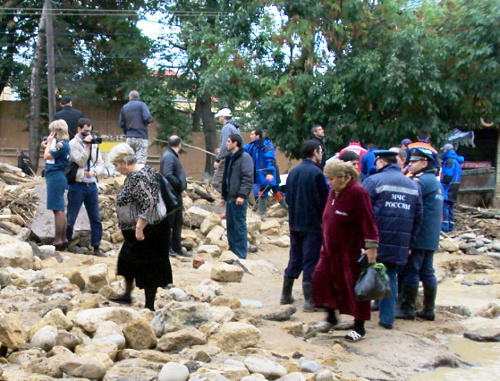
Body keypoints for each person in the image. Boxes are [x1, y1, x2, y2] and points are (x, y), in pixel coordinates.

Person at [312, 159, 379, 342]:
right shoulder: (333, 192)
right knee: (321, 278)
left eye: (331, 179)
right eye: (327, 179)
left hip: (350, 251)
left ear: (343, 177)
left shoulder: (358, 193)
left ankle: (359, 326)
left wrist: (371, 249)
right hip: (329, 251)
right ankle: (331, 317)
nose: (329, 183)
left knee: (355, 287)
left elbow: (369, 222)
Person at [362, 150, 423, 329]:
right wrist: (411, 241)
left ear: (381, 162)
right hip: (401, 239)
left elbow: (362, 210)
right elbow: (419, 216)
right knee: (390, 274)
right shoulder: (413, 185)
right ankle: (387, 319)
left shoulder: (373, 181)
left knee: (367, 273)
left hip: (376, 238)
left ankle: (362, 315)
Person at [107, 143, 172, 311]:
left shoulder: (138, 176)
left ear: (125, 162)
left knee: (149, 267)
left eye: (116, 164)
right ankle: (127, 294)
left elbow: (149, 202)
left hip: (150, 230)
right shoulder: (142, 170)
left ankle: (149, 306)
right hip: (143, 229)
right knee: (127, 261)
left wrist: (139, 228)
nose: (116, 169)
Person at [281, 140, 329, 312]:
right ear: (315, 152)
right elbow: (323, 200)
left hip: (295, 222)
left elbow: (287, 198)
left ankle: (286, 293)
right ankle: (310, 300)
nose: (322, 154)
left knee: (295, 256)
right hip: (312, 223)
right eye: (321, 151)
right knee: (311, 259)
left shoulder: (293, 172)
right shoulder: (317, 174)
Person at [397, 147, 443, 321]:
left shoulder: (421, 182)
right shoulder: (434, 181)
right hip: (431, 235)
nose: (410, 164)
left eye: (414, 161)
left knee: (412, 271)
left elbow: (411, 206)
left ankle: (407, 308)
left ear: (424, 163)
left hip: (420, 234)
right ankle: (428, 310)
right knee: (427, 271)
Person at [66, 118, 105, 257]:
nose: (88, 134)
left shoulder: (94, 144)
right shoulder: (72, 144)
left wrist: (95, 172)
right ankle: (66, 243)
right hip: (78, 185)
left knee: (95, 218)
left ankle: (96, 246)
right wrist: (87, 146)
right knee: (71, 217)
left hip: (91, 185)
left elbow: (100, 162)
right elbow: (81, 161)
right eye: (85, 131)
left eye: (90, 131)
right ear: (79, 129)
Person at [220, 134, 253, 259]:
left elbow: (247, 178)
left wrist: (242, 195)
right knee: (231, 225)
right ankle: (233, 251)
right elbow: (225, 178)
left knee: (239, 225)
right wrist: (223, 196)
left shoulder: (245, 158)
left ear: (235, 143)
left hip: (238, 198)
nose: (226, 143)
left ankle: (241, 253)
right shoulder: (230, 157)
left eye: (228, 141)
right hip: (229, 197)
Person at [244, 129, 287, 216]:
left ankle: (262, 213)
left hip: (268, 174)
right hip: (262, 175)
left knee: (266, 192)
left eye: (252, 134)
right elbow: (242, 150)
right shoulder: (252, 146)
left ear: (257, 135)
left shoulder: (265, 145)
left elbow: (271, 159)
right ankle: (289, 209)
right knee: (274, 192)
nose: (250, 136)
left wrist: (270, 173)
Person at [41, 120, 70, 250]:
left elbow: (47, 156)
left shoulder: (61, 145)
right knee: (60, 209)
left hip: (55, 176)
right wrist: (47, 144)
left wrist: (48, 144)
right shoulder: (63, 145)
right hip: (59, 176)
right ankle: (63, 238)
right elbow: (51, 151)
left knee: (57, 209)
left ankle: (58, 240)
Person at [160, 135, 190, 257]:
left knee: (177, 222)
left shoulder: (170, 155)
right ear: (180, 145)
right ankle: (168, 248)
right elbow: (167, 174)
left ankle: (176, 247)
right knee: (170, 222)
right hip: (170, 193)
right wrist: (179, 184)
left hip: (173, 193)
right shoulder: (169, 156)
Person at [212, 108, 242, 193]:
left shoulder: (226, 128)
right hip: (236, 157)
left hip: (227, 158)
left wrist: (218, 159)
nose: (219, 119)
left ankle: (227, 196)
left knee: (216, 182)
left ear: (222, 117)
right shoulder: (235, 127)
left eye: (219, 117)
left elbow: (225, 145)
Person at [119, 90, 153, 164]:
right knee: (140, 162)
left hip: (129, 137)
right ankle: (139, 175)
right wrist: (147, 123)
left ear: (130, 97)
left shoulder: (124, 107)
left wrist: (127, 132)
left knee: (130, 162)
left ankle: (131, 175)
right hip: (141, 136)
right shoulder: (142, 105)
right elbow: (147, 118)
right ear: (138, 97)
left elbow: (121, 123)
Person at [440, 143, 464, 232]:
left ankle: (445, 228)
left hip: (448, 187)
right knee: (450, 207)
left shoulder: (449, 161)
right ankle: (451, 227)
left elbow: (448, 175)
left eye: (443, 150)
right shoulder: (457, 161)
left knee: (445, 207)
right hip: (455, 186)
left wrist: (442, 185)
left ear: (446, 150)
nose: (443, 152)